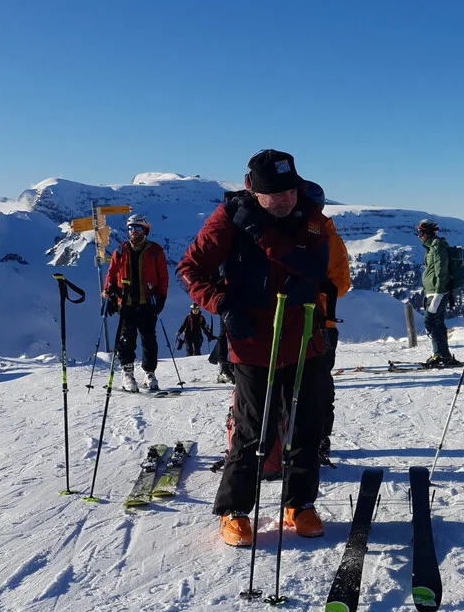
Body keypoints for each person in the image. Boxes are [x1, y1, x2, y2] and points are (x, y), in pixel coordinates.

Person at [178, 149, 331, 547]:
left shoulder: (309, 212)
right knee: (252, 430)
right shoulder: (228, 219)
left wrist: (286, 257)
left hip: (303, 339)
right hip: (252, 344)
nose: (284, 200)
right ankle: (235, 510)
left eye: (290, 191)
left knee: (307, 425)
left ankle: (299, 503)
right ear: (251, 189)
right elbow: (191, 269)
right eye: (273, 194)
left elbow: (318, 266)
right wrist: (223, 306)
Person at [104, 213, 169, 392]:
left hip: (148, 302)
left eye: (138, 228)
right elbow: (111, 273)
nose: (134, 232)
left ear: (145, 230)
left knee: (149, 339)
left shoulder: (156, 251)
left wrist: (162, 297)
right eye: (131, 228)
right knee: (126, 340)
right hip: (126, 303)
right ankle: (127, 374)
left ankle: (149, 373)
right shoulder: (120, 251)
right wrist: (108, 293)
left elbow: (163, 277)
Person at [315, 185, 351, 463]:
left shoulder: (328, 238)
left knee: (317, 384)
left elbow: (341, 283)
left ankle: (316, 439)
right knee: (315, 385)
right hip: (315, 322)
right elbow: (342, 283)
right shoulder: (329, 236)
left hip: (319, 323)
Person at [417, 218, 461, 368]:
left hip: (438, 292)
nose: (419, 236)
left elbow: (441, 270)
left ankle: (439, 354)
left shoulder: (437, 247)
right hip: (433, 291)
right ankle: (445, 355)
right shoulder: (432, 247)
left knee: (429, 322)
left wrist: (439, 292)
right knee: (439, 322)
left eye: (420, 232)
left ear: (427, 233)